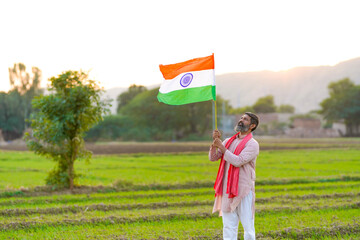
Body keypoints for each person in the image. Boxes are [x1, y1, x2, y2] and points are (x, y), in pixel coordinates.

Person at [209, 112, 259, 240]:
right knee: (228, 226)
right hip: (227, 189)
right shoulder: (228, 141)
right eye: (241, 118)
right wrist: (214, 144)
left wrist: (222, 147)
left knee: (248, 227)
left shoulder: (252, 144)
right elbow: (213, 158)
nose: (241, 120)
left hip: (243, 190)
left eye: (245, 119)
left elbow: (238, 161)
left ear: (252, 125)